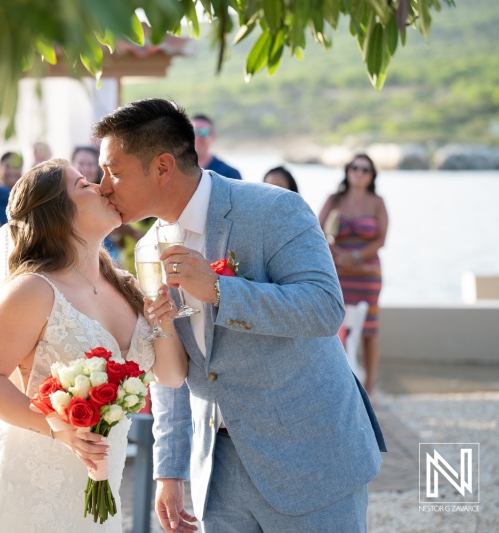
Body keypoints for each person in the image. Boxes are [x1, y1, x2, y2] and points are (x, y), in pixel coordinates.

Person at [93, 98, 386, 533]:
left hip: (310, 462)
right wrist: (169, 469)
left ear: (162, 168)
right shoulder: (148, 249)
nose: (102, 187)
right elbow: (171, 360)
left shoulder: (275, 209)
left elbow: (324, 308)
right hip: (218, 474)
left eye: (113, 172)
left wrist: (218, 290)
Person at [0, 159, 187, 532]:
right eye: (83, 185)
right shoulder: (34, 290)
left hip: (101, 487)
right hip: (30, 489)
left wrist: (164, 319)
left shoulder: (128, 286)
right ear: (58, 213)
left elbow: (170, 376)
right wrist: (58, 428)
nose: (101, 187)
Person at [318, 154, 388, 396]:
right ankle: (338, 383)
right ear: (347, 171)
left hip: (367, 274)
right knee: (337, 325)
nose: (359, 172)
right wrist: (339, 255)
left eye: (365, 169)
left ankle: (369, 387)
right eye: (355, 168)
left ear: (372, 175)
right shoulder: (334, 199)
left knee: (369, 329)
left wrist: (355, 257)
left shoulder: (377, 202)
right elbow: (316, 229)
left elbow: (381, 240)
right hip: (337, 273)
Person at [191, 114, 241, 180]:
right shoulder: (175, 170)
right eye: (193, 132)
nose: (197, 138)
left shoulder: (230, 174)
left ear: (212, 137)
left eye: (203, 132)